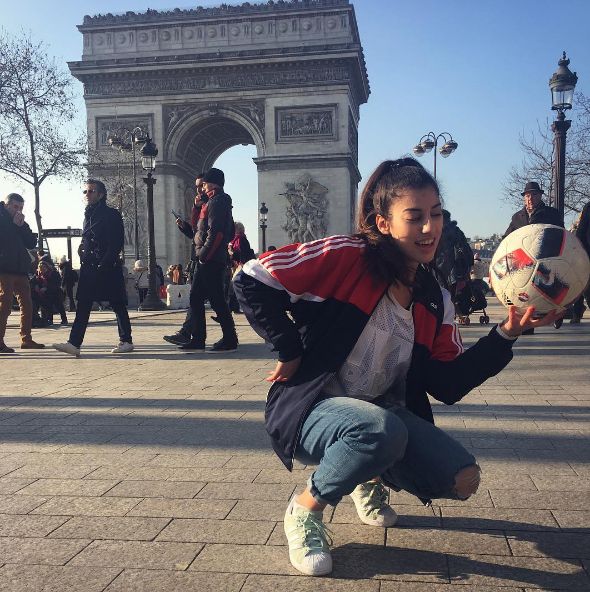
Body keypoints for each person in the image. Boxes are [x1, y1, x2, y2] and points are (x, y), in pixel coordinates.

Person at [234, 158, 563, 577]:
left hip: (382, 414)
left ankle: (365, 472)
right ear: (384, 223)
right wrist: (288, 349)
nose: (430, 228)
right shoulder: (346, 257)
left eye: (436, 214)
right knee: (379, 431)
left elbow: (447, 383)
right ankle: (305, 510)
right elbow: (250, 277)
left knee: (462, 479)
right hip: (311, 409)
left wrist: (507, 334)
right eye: (416, 217)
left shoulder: (436, 298)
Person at [53, 180, 134, 356]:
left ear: (101, 194)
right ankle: (74, 343)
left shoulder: (111, 214)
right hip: (89, 266)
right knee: (83, 304)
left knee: (117, 304)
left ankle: (126, 340)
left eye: (91, 191)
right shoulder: (87, 216)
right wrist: (82, 250)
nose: (87, 194)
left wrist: (104, 263)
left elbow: (116, 242)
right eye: (85, 191)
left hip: (106, 267)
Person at [167, 168, 238, 353]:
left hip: (210, 259)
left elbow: (217, 233)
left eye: (204, 183)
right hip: (209, 258)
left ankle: (225, 339)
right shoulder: (213, 202)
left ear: (212, 183)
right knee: (202, 298)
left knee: (213, 300)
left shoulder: (217, 202)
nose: (201, 187)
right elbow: (199, 231)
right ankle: (201, 340)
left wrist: (204, 256)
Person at [503, 181, 564, 332]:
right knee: (527, 293)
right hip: (525, 262)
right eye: (528, 195)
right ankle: (527, 323)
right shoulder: (517, 217)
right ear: (524, 198)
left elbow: (561, 236)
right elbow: (507, 237)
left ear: (540, 196)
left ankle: (558, 315)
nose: (530, 199)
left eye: (534, 195)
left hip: (547, 259)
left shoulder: (552, 214)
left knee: (551, 290)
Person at [163, 173, 206, 346]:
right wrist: (184, 227)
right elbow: (197, 235)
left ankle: (189, 334)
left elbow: (209, 236)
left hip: (205, 259)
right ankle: (197, 338)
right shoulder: (202, 206)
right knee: (208, 300)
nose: (198, 189)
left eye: (202, 185)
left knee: (199, 298)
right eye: (196, 186)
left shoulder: (213, 205)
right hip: (201, 258)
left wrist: (203, 255)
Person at [0, 193, 45, 353]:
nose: (18, 210)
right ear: (7, 205)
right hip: (4, 269)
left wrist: (22, 226)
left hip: (20, 269)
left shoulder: (19, 221)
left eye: (21, 207)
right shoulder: (2, 219)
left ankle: (26, 339)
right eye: (15, 207)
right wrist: (13, 225)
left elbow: (31, 242)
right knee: (4, 306)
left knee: (27, 305)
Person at [437, 209, 473, 321]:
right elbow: (466, 249)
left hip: (438, 266)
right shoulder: (456, 231)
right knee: (452, 293)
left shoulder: (436, 231)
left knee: (439, 292)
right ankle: (453, 314)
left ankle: (442, 315)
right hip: (456, 268)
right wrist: (470, 264)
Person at [227, 221, 255, 314]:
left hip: (241, 265)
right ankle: (233, 308)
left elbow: (244, 254)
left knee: (234, 286)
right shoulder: (234, 240)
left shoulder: (241, 239)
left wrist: (232, 253)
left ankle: (231, 308)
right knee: (233, 287)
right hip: (235, 265)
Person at [31, 261, 68, 327]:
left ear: (47, 268)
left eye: (43, 269)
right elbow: (34, 281)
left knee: (59, 306)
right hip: (46, 294)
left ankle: (64, 319)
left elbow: (56, 284)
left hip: (55, 292)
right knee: (48, 306)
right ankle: (49, 319)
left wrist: (47, 288)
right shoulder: (38, 274)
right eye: (41, 270)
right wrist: (36, 285)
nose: (42, 271)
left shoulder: (54, 273)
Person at [572, 200, 590, 323]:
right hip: (588, 252)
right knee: (584, 285)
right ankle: (577, 312)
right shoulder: (588, 207)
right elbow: (581, 232)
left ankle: (577, 312)